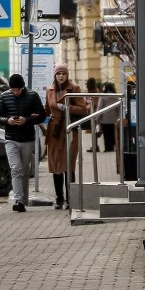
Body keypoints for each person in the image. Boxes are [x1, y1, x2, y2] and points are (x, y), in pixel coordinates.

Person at [0, 73, 45, 212]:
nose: (15, 92)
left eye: (18, 90)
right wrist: (7, 121)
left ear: (23, 87)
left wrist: (26, 120)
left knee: (25, 170)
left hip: (27, 138)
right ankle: (18, 200)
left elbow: (42, 115)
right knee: (16, 169)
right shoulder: (4, 96)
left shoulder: (32, 96)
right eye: (13, 90)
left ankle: (23, 200)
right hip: (11, 138)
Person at [43, 63, 90, 209]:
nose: (61, 76)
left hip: (69, 131)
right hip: (55, 132)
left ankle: (71, 200)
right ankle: (59, 199)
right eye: (58, 74)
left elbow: (83, 109)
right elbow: (46, 110)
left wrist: (66, 108)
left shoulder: (74, 89)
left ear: (67, 75)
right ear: (55, 75)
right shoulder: (50, 90)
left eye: (63, 73)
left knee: (68, 166)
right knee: (56, 166)